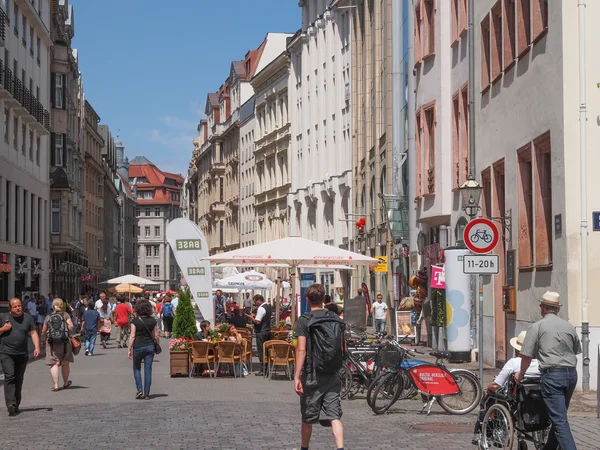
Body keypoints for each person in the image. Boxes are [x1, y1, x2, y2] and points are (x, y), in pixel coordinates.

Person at [518, 291, 581, 450]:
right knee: (559, 416)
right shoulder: (569, 326)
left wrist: (521, 374)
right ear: (557, 309)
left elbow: (526, 355)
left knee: (559, 420)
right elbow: (575, 350)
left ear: (542, 308)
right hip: (571, 375)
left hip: (552, 375)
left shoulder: (537, 326)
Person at [294, 283, 345, 450]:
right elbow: (342, 347)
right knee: (334, 415)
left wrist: (296, 376)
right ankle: (340, 448)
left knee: (308, 417)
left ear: (307, 300)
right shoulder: (336, 318)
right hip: (333, 372)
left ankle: (304, 448)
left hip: (312, 374)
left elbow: (301, 349)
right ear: (324, 299)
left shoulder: (305, 320)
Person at [0, 298, 41, 416]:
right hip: (6, 353)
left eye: (19, 306)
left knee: (19, 379)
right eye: (15, 306)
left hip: (22, 354)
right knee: (9, 376)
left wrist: (37, 347)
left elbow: (33, 333)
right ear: (10, 308)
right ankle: (10, 404)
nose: (18, 308)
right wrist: (3, 329)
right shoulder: (3, 317)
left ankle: (16, 403)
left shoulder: (27, 318)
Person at [128, 299, 159, 400]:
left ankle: (139, 390)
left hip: (138, 346)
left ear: (137, 309)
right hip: (150, 346)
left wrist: (129, 349)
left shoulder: (135, 321)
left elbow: (132, 336)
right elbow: (157, 336)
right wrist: (156, 346)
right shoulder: (153, 321)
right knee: (148, 369)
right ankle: (147, 393)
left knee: (137, 368)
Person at [42, 298, 74, 391]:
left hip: (51, 342)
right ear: (62, 305)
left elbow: (43, 331)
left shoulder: (48, 316)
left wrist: (43, 340)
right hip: (64, 342)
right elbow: (71, 327)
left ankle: (56, 385)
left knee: (54, 364)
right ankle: (65, 382)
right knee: (65, 363)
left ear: (52, 306)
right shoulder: (65, 315)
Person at [246, 294, 271, 376]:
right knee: (266, 350)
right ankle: (267, 368)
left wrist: (251, 318)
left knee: (261, 351)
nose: (255, 304)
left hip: (261, 331)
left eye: (255, 302)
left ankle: (263, 369)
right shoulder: (268, 307)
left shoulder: (261, 308)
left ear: (258, 300)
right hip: (267, 330)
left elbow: (257, 321)